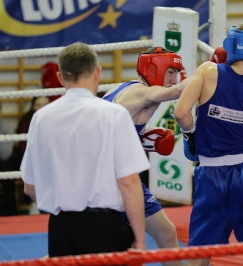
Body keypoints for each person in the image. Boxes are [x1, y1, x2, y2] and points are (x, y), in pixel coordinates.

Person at [20, 42, 148, 257]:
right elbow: (129, 182)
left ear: (60, 78)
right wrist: (141, 240)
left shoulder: (41, 118)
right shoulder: (114, 115)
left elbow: (30, 188)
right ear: (97, 73)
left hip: (60, 228)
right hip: (105, 226)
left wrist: (64, 197)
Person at [174, 24, 243, 266]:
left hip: (211, 176)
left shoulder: (207, 72)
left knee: (200, 253)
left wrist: (191, 135)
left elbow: (181, 113)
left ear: (231, 45)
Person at [102, 46, 190, 266]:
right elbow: (177, 92)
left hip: (107, 176)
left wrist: (140, 140)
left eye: (176, 73)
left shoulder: (121, 88)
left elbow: (109, 135)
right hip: (117, 182)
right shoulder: (143, 92)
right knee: (101, 246)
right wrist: (213, 72)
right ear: (153, 69)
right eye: (170, 72)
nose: (174, 79)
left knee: (165, 234)